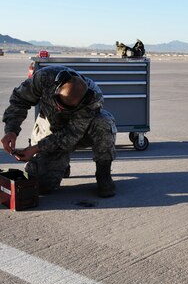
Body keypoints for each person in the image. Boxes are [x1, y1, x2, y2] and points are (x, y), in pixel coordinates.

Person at [1, 65, 117, 198]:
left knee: (104, 122)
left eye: (66, 108)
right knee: (42, 186)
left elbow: (70, 135)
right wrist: (11, 130)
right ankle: (61, 165)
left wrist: (36, 148)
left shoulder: (93, 100)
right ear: (57, 88)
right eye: (58, 104)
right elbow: (20, 100)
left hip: (78, 132)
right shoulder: (44, 77)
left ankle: (104, 174)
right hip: (50, 125)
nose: (60, 109)